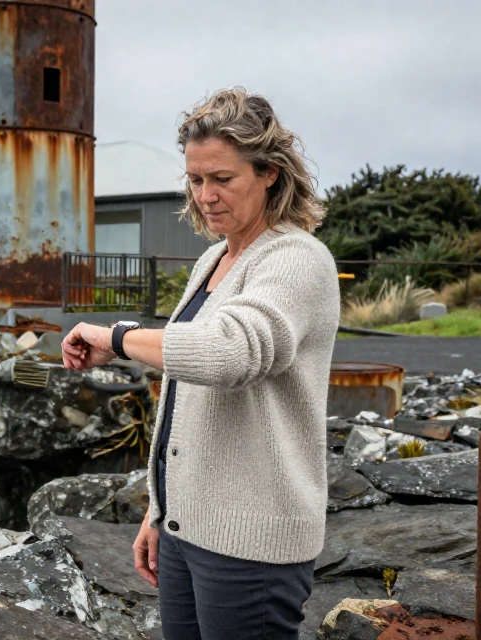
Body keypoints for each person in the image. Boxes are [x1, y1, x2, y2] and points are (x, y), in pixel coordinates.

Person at [61, 87, 339, 639]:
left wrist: (117, 336)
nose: (206, 195)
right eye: (196, 179)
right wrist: (159, 512)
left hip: (250, 544)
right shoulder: (216, 257)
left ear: (270, 174)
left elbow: (229, 353)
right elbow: (186, 391)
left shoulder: (297, 260)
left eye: (223, 179)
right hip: (189, 532)